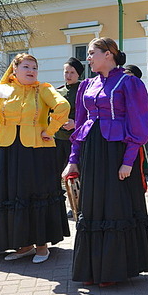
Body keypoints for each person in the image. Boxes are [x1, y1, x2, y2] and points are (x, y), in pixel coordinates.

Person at [62, 37, 148, 287]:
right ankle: (93, 268)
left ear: (109, 54)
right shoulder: (86, 85)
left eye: (92, 53)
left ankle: (115, 270)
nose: (88, 58)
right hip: (93, 151)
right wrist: (73, 159)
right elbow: (80, 125)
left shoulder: (129, 82)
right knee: (92, 207)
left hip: (117, 153)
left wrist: (128, 161)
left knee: (115, 206)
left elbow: (139, 125)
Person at [0, 54, 70, 263]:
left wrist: (51, 129)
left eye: (35, 67)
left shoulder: (43, 89)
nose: (31, 71)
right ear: (15, 69)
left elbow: (63, 107)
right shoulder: (2, 89)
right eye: (26, 67)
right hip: (5, 149)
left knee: (34, 193)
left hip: (36, 149)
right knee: (11, 194)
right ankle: (23, 244)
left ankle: (41, 247)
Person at [55, 57, 83, 215]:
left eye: (72, 72)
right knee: (58, 173)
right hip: (58, 138)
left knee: (76, 173)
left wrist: (76, 123)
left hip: (76, 138)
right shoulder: (58, 92)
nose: (68, 75)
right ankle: (61, 205)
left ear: (78, 74)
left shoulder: (84, 90)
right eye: (66, 72)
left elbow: (88, 114)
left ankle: (78, 204)